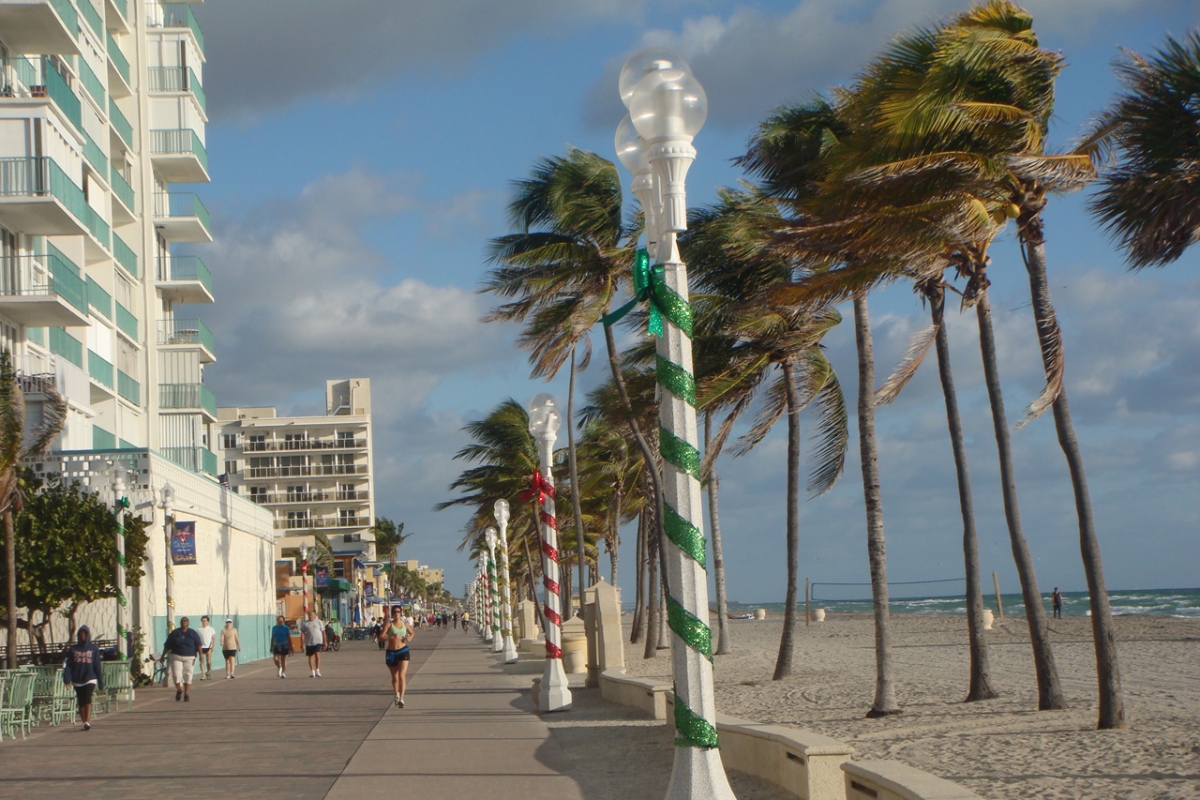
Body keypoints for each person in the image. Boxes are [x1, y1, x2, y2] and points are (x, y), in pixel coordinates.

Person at [64, 625, 105, 731]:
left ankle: (87, 721)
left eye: (84, 635)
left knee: (87, 698)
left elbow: (97, 666)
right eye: (80, 635)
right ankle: (84, 722)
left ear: (87, 636)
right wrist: (67, 679)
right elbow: (69, 665)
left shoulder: (94, 649)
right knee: (81, 701)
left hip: (90, 677)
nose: (82, 637)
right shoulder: (73, 649)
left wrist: (100, 682)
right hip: (77, 678)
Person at [164, 617, 204, 702]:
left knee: (188, 675)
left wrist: (201, 655)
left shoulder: (192, 633)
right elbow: (167, 646)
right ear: (180, 623)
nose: (184, 623)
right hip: (176, 656)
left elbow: (198, 645)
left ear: (188, 623)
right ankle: (179, 689)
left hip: (189, 657)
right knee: (176, 675)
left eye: (185, 621)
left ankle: (186, 694)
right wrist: (162, 656)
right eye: (182, 621)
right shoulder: (175, 633)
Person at [381, 606, 414, 708]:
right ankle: (396, 694)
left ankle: (402, 699)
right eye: (395, 612)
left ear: (401, 613)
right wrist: (390, 637)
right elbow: (381, 637)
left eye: (398, 612)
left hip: (403, 651)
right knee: (395, 678)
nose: (397, 614)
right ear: (392, 613)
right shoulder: (389, 625)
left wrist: (409, 637)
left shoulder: (405, 624)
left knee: (402, 675)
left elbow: (412, 633)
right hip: (391, 652)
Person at [301, 611, 325, 677]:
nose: (310, 616)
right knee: (310, 656)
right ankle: (312, 671)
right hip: (309, 642)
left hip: (318, 641)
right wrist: (302, 643)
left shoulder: (319, 622)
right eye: (309, 615)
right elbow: (302, 633)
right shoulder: (306, 623)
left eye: (311, 615)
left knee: (317, 655)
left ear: (314, 615)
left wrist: (325, 641)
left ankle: (317, 670)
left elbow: (323, 632)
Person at [197, 616, 217, 680]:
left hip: (208, 647)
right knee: (201, 661)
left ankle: (208, 672)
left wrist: (213, 646)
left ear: (208, 621)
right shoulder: (198, 629)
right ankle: (203, 674)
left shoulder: (211, 629)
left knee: (208, 662)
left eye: (205, 621)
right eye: (203, 621)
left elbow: (213, 638)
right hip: (201, 647)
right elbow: (197, 639)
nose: (204, 622)